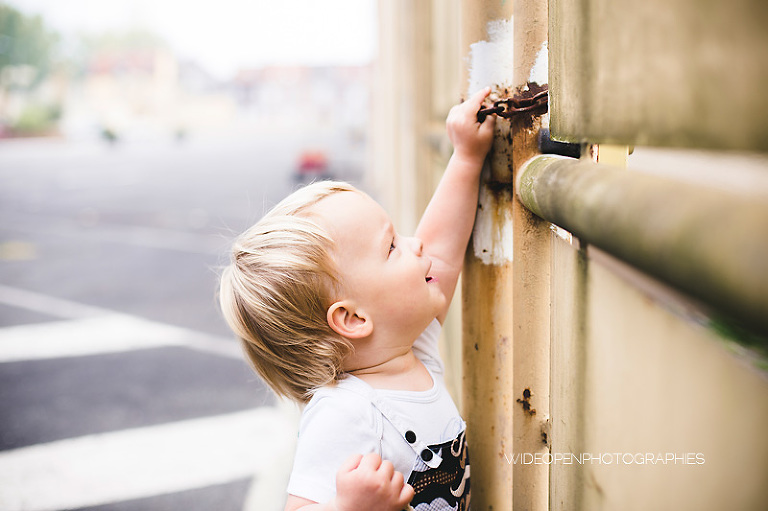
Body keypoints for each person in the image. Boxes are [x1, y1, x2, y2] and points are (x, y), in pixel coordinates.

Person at [219, 87, 495, 511]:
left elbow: (440, 252)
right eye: (391, 248)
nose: (414, 245)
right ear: (352, 318)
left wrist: (466, 158)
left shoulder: (409, 349)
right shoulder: (345, 414)